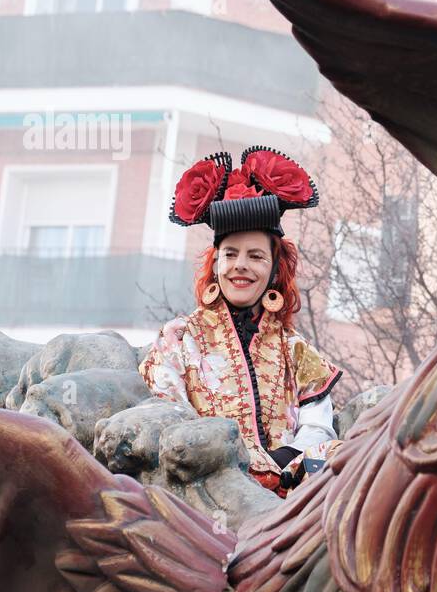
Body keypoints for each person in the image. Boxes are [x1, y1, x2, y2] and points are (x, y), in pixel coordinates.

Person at [139, 145, 342, 497]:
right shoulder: (179, 338)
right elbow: (168, 417)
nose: (241, 266)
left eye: (256, 256)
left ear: (275, 269)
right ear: (216, 264)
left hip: (291, 485)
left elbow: (319, 428)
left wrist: (283, 460)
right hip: (209, 487)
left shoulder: (296, 349)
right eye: (230, 254)